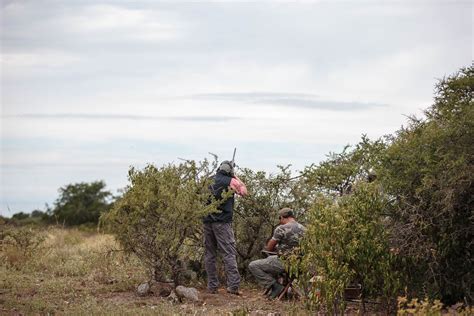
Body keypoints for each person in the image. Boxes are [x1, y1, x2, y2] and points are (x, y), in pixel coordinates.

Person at [203, 160, 248, 295]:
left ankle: (212, 287)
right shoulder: (231, 181)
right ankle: (233, 286)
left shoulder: (208, 180)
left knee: (210, 254)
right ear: (230, 170)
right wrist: (235, 177)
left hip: (207, 221)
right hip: (222, 223)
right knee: (228, 253)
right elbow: (244, 192)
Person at [248, 207, 305, 299]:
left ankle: (275, 286)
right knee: (269, 259)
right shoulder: (304, 229)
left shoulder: (281, 229)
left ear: (283, 217)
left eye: (280, 218)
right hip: (300, 265)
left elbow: (269, 248)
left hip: (285, 264)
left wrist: (276, 247)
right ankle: (280, 287)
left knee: (253, 265)